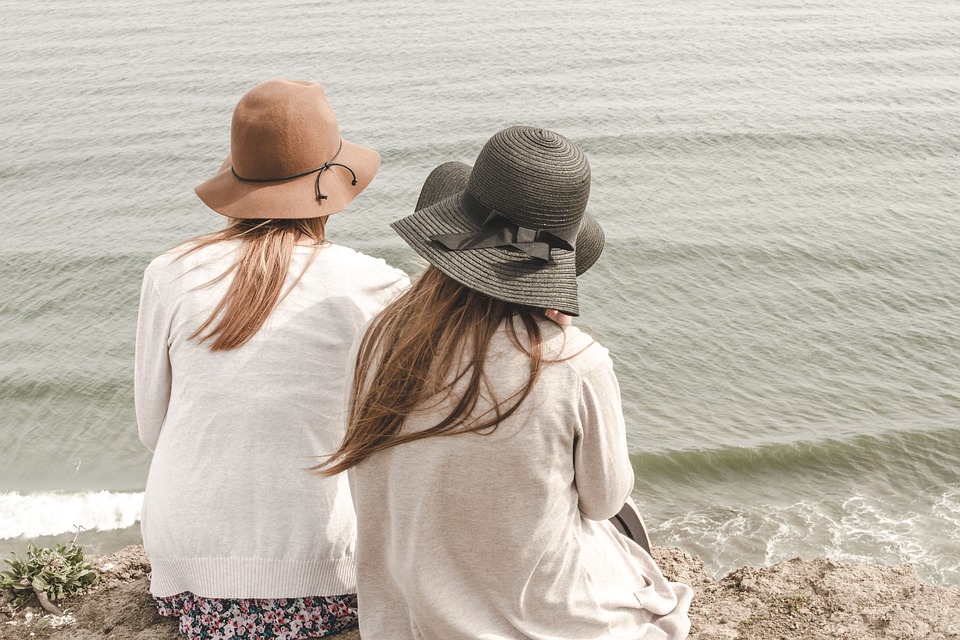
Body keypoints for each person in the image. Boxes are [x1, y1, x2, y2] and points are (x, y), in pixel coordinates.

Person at [321, 126, 693, 639]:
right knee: (623, 525)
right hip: (541, 623)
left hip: (408, 620)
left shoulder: (378, 336)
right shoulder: (574, 363)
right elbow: (603, 502)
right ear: (554, 269)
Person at [134, 78, 409, 640]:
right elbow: (392, 444)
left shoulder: (169, 274)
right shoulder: (377, 286)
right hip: (323, 568)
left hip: (191, 566)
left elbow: (151, 428)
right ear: (332, 185)